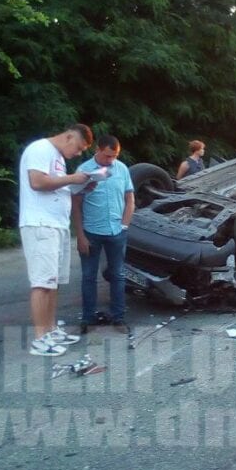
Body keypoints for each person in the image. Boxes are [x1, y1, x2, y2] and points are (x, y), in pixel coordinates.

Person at [18, 123, 94, 356]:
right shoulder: (40, 149)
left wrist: (81, 186)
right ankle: (40, 339)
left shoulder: (57, 158)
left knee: (53, 282)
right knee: (42, 282)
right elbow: (38, 182)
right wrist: (73, 178)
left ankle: (50, 330)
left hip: (57, 225)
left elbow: (56, 187)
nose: (78, 153)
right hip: (41, 225)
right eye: (79, 148)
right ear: (69, 136)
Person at [73, 134, 135, 335]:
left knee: (118, 275)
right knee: (88, 276)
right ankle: (88, 319)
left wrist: (125, 225)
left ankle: (119, 318)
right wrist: (80, 236)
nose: (111, 161)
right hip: (92, 232)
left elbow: (129, 198)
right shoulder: (83, 171)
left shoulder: (122, 169)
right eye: (108, 156)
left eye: (114, 156)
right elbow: (76, 205)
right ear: (97, 150)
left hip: (116, 231)